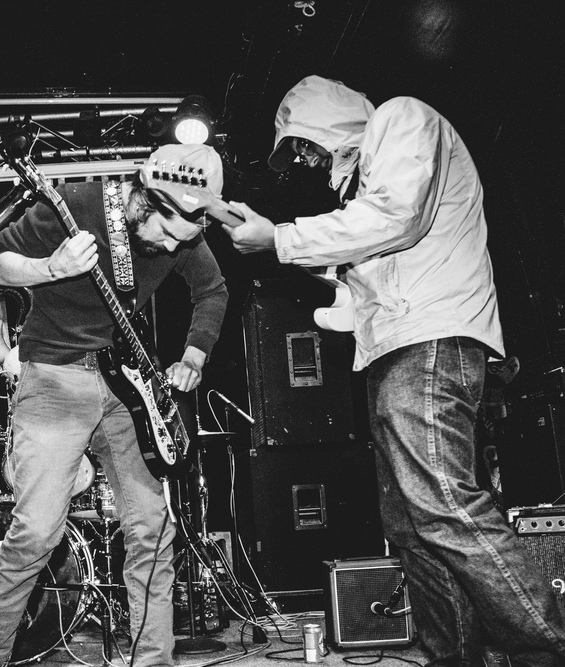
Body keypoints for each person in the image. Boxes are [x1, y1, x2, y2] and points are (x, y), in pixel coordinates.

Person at [224, 75, 565, 665]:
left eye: (304, 143)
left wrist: (279, 238)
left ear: (330, 117)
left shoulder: (401, 118)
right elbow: (365, 273)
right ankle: (452, 656)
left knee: (442, 505)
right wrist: (301, 257)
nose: (304, 160)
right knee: (410, 524)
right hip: (394, 349)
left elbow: (398, 217)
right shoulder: (363, 188)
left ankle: (549, 646)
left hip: (429, 339)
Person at [0, 144, 229, 667]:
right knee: (37, 531)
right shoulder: (75, 204)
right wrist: (51, 266)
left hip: (130, 391)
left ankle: (153, 661)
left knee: (152, 527)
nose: (171, 247)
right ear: (144, 199)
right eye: (167, 233)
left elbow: (212, 290)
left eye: (183, 240)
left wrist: (194, 356)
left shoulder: (183, 232)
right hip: (54, 376)